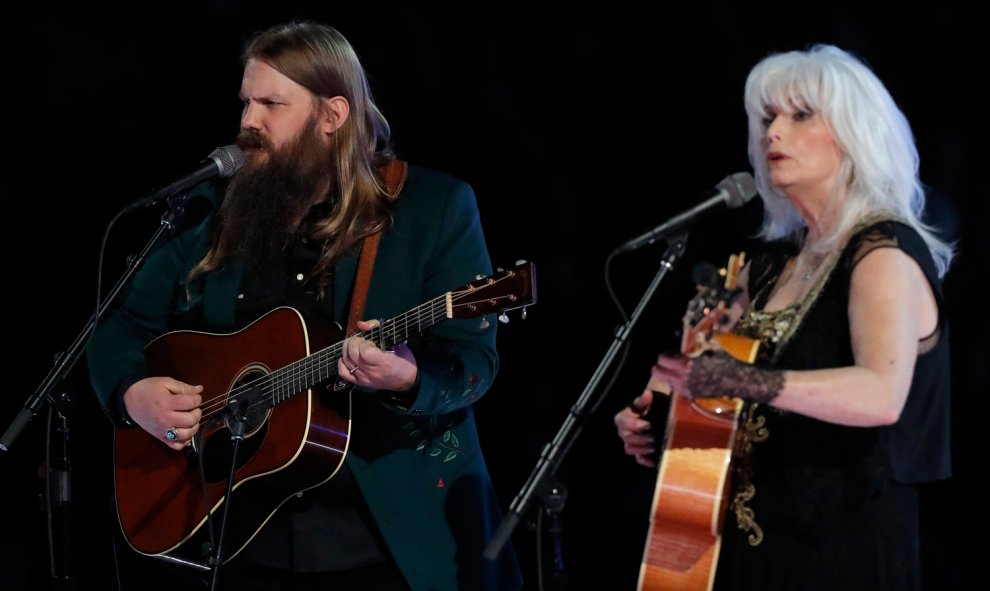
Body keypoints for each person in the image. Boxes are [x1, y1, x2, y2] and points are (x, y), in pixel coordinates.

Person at [86, 20, 522, 591]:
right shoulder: (211, 207)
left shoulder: (432, 208)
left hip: (384, 540)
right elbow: (118, 325)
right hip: (238, 536)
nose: (248, 122)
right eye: (246, 102)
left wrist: (407, 380)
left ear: (331, 116)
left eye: (271, 104)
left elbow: (474, 362)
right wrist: (130, 394)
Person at [615, 44, 953, 590]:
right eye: (768, 118)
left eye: (800, 116)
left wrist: (746, 380)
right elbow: (706, 385)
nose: (773, 133)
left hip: (844, 543)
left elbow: (881, 394)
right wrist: (654, 408)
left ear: (854, 133)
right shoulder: (765, 268)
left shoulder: (882, 253)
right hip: (753, 541)